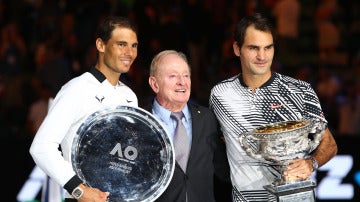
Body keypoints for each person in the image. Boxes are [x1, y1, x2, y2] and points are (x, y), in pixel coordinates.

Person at [209, 13, 338, 201]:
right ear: (237, 49)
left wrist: (311, 162)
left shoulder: (300, 90)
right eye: (254, 48)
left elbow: (330, 144)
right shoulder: (219, 94)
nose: (262, 56)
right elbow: (217, 145)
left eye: (268, 48)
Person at [29, 16, 139, 202]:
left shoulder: (130, 96)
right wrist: (79, 190)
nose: (129, 52)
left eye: (134, 46)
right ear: (101, 45)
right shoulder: (76, 89)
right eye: (121, 44)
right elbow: (41, 147)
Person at [144, 50, 231, 202]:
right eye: (173, 76)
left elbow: (223, 170)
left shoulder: (207, 118)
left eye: (186, 75)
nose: (182, 82)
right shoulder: (140, 123)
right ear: (154, 84)